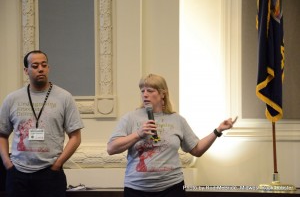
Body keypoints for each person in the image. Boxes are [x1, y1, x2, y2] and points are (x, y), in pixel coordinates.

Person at [107, 73, 237, 197]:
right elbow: (111, 148)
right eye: (142, 91)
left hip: (171, 188)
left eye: (150, 91)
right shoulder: (130, 118)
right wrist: (138, 134)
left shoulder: (177, 120)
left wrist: (218, 130)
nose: (145, 95)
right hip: (137, 189)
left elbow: (197, 150)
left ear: (162, 94)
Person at [0, 50, 84, 197]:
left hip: (50, 173)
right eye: (35, 65)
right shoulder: (12, 99)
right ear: (26, 70)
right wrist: (8, 165)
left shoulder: (64, 97)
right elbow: (2, 135)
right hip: (18, 174)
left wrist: (57, 164)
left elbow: (75, 137)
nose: (40, 68)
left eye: (44, 65)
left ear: (48, 68)